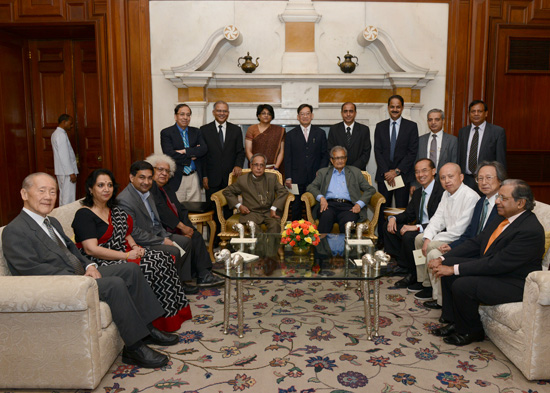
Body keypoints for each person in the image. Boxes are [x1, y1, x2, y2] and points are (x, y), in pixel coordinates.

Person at [2, 172, 179, 369]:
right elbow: (32, 271)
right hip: (63, 285)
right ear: (24, 194)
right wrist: (78, 277)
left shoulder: (52, 222)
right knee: (114, 284)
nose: (48, 196)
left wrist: (89, 265)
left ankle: (147, 329)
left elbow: (72, 249)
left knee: (130, 270)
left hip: (79, 274)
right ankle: (134, 348)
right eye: (41, 190)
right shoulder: (15, 231)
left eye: (52, 191)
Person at [71, 168, 192, 332]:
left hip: (125, 252)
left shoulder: (114, 210)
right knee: (151, 266)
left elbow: (126, 233)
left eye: (109, 185)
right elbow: (91, 249)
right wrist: (127, 255)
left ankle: (170, 316)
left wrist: (135, 247)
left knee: (163, 259)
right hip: (101, 261)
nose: (106, 189)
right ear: (91, 189)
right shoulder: (84, 215)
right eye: (100, 185)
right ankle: (153, 323)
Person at [430, 179, 544, 346]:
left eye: (503, 198)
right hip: (496, 269)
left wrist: (453, 269)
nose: (497, 201)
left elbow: (496, 263)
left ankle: (471, 331)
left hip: (514, 282)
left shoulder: (529, 230)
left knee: (463, 284)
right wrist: (443, 258)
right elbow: (477, 242)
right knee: (449, 265)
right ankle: (454, 321)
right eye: (498, 197)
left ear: (520, 203)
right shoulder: (503, 217)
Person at [117, 161, 222, 289]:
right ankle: (175, 286)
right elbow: (134, 232)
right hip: (143, 242)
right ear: (131, 177)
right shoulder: (125, 200)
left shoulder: (147, 193)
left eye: (150, 178)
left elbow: (155, 221)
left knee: (185, 242)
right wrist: (162, 241)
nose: (146, 182)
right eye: (142, 177)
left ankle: (182, 282)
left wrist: (166, 236)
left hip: (157, 234)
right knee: (174, 250)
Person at [422, 161, 505, 310]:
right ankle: (445, 308)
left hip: (487, 255)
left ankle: (444, 305)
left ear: (500, 180)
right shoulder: (482, 202)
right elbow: (471, 233)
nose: (484, 182)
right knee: (438, 255)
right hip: (473, 247)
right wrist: (452, 246)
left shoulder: (502, 205)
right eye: (480, 179)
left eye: (488, 178)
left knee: (440, 256)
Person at [411, 163, 480, 305]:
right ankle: (424, 281)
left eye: (450, 176)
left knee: (430, 247)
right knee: (419, 239)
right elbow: (437, 218)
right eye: (442, 178)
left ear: (461, 177)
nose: (446, 181)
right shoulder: (446, 194)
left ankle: (436, 295)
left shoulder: (470, 196)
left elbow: (459, 230)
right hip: (447, 235)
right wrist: (428, 237)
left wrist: (432, 240)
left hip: (458, 239)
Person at [146, 153, 218, 283]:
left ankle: (203, 272)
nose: (164, 173)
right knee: (194, 238)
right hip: (163, 230)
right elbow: (162, 212)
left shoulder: (167, 188)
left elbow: (181, 209)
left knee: (194, 235)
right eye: (160, 169)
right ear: (151, 171)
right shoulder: (151, 189)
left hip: (176, 226)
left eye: (167, 171)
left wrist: (188, 227)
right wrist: (182, 227)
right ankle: (203, 274)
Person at [385, 158, 444, 287]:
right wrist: (393, 218)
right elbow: (408, 214)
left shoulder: (442, 192)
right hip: (419, 228)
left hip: (435, 231)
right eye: (417, 172)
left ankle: (414, 274)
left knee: (409, 236)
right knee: (388, 226)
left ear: (434, 171)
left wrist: (417, 227)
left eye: (424, 171)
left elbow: (441, 222)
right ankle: (404, 264)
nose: (420, 175)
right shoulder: (418, 193)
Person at [374, 95, 419, 238]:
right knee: (382, 209)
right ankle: (382, 241)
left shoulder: (411, 127)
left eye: (398, 106)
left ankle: (398, 241)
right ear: (388, 108)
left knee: (400, 210)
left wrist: (397, 171)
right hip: (384, 176)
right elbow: (378, 151)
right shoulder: (380, 126)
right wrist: (387, 172)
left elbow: (412, 152)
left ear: (402, 108)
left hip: (402, 176)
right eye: (392, 106)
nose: (395, 109)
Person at [306, 146, 376, 233]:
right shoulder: (323, 172)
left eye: (342, 157)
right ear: (331, 160)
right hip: (328, 205)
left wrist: (359, 204)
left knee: (348, 223)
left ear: (346, 159)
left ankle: (347, 246)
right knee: (326, 217)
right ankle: (322, 245)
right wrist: (321, 198)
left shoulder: (355, 172)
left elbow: (370, 189)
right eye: (337, 158)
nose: (340, 161)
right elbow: (310, 187)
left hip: (349, 207)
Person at [223, 153, 290, 233]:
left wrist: (274, 208)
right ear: (251, 166)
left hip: (269, 212)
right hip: (251, 213)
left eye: (262, 165)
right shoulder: (243, 180)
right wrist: (239, 206)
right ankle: (261, 244)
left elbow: (283, 191)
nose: (259, 168)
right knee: (252, 227)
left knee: (275, 226)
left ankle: (270, 245)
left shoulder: (271, 178)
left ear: (265, 167)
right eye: (256, 165)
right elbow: (227, 191)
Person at [284, 104, 329, 221]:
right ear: (298, 117)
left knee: (315, 205)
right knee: (296, 206)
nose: (305, 116)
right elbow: (287, 157)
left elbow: (325, 155)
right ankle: (295, 234)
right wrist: (288, 177)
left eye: (307, 113)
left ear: (312, 115)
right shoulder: (290, 135)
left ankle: (313, 235)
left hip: (316, 177)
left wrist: (321, 171)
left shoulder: (320, 133)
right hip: (296, 178)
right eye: (302, 114)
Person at [201, 101, 245, 207]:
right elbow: (202, 156)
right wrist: (204, 176)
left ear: (228, 113)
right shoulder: (204, 130)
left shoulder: (236, 130)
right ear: (213, 112)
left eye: (224, 111)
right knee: (212, 207)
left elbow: (240, 151)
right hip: (211, 178)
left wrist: (238, 165)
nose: (222, 113)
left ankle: (228, 224)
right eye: (219, 110)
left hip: (230, 177)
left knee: (229, 208)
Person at [160, 103, 207, 202]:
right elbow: (169, 154)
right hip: (177, 177)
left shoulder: (196, 132)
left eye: (188, 115)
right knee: (178, 211)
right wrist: (191, 156)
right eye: (182, 114)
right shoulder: (166, 133)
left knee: (195, 210)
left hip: (194, 177)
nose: (185, 117)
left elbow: (203, 149)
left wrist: (185, 151)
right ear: (175, 116)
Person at [457, 100, 507, 192]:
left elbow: (500, 159)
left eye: (479, 111)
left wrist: (501, 181)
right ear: (469, 114)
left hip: (486, 180)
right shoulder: (462, 132)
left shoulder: (497, 132)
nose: (476, 114)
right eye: (473, 111)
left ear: (486, 113)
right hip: (465, 180)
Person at [411, 109, 457, 194]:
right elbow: (414, 163)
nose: (433, 122)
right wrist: (413, 183)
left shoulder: (452, 140)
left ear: (443, 121)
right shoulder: (420, 140)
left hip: (444, 184)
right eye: (430, 120)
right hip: (422, 183)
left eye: (437, 119)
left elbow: (454, 163)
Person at [327, 102, 371, 170]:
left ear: (355, 113)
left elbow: (366, 153)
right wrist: (341, 166)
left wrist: (352, 169)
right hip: (338, 170)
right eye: (345, 111)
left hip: (358, 171)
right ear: (341, 113)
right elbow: (330, 151)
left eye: (351, 111)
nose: (348, 114)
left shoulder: (364, 130)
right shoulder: (334, 129)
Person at [245, 104, 285, 174]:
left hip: (273, 168)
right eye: (263, 113)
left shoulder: (280, 131)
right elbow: (248, 150)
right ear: (258, 115)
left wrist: (276, 168)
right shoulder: (251, 129)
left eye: (269, 114)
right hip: (255, 168)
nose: (266, 115)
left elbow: (281, 151)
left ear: (272, 116)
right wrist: (256, 165)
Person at [51, 114, 78, 205]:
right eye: (70, 123)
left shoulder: (57, 133)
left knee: (64, 197)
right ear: (63, 122)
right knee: (68, 198)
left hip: (62, 171)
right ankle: (67, 218)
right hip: (66, 173)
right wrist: (71, 173)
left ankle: (62, 217)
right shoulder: (60, 135)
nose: (72, 125)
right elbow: (64, 155)